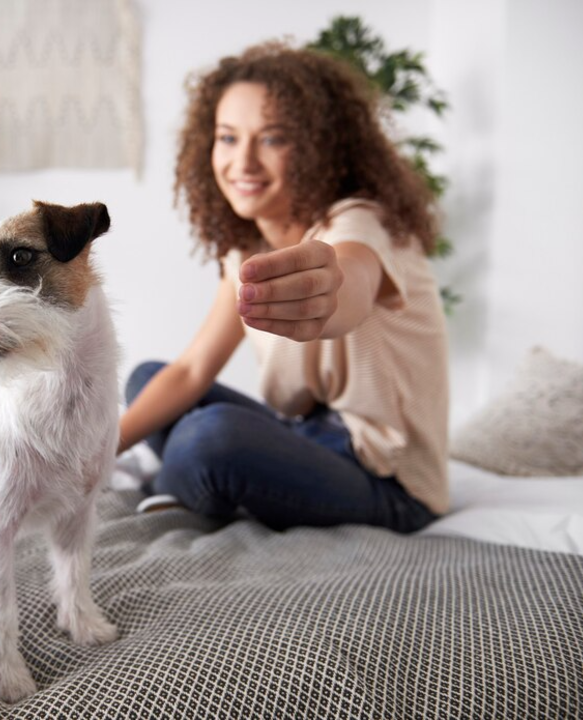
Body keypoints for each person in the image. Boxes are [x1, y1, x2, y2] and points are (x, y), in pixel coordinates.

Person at [119, 42, 448, 533]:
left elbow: (351, 279)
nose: (243, 161)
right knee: (148, 378)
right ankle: (200, 482)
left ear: (319, 147)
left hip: (391, 481)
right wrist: (89, 454)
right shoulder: (244, 249)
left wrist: (329, 290)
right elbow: (191, 370)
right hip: (308, 438)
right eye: (228, 138)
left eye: (272, 139)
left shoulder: (360, 221)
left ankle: (181, 486)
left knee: (210, 436)